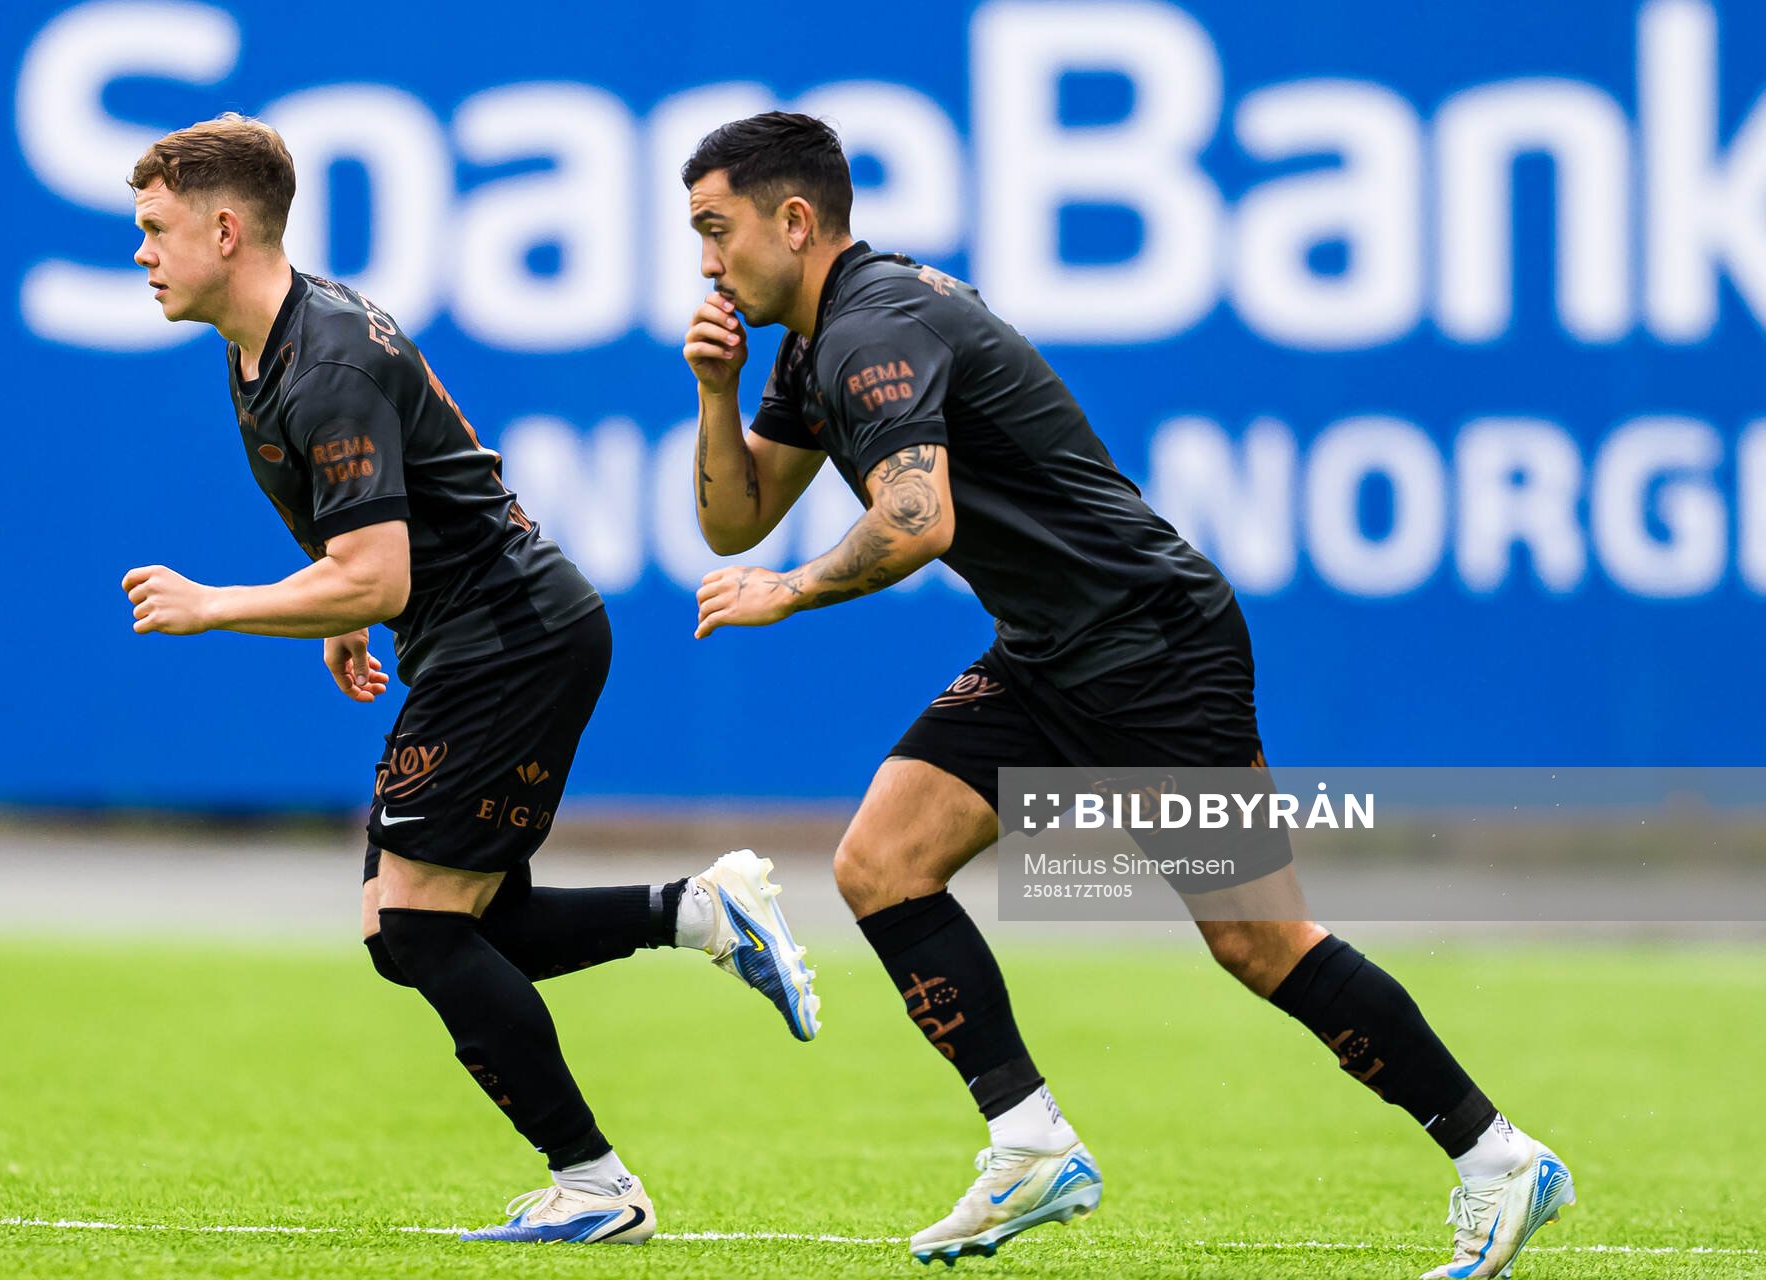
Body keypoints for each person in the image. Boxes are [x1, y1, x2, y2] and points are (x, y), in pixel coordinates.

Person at [678, 111, 1573, 1275]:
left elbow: (915, 517)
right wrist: (714, 389)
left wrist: (788, 592)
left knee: (1259, 941)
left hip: (1155, 648)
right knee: (881, 863)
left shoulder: (871, 329)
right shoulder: (812, 341)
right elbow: (735, 513)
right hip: (1052, 647)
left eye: (717, 228)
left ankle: (1499, 1157)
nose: (706, 260)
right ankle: (1028, 1140)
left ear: (795, 222)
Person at [121, 112, 820, 1246]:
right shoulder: (265, 347)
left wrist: (221, 605)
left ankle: (596, 1184)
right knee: (408, 931)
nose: (142, 253)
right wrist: (335, 601)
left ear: (227, 226)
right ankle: (698, 910)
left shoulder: (327, 359)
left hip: (515, 636)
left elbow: (380, 566)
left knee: (424, 924)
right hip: (484, 636)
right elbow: (368, 546)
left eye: (154, 229)